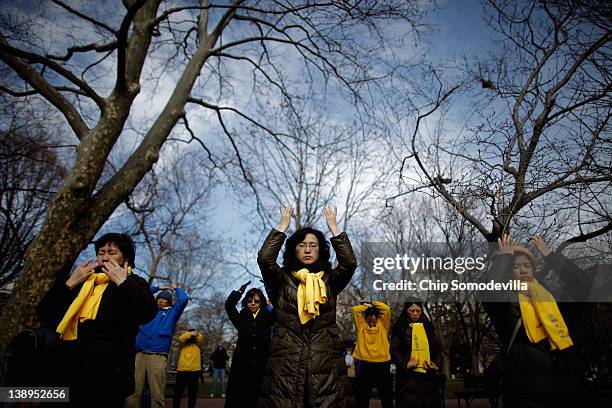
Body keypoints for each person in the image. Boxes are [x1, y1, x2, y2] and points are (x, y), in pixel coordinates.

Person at [37, 233, 157, 407]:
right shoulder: (81, 280)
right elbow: (45, 314)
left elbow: (147, 313)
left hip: (107, 377)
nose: (105, 257)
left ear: (127, 258)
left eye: (112, 252)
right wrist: (69, 284)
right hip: (65, 371)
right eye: (101, 252)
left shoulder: (134, 283)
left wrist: (123, 282)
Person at [257, 205, 357, 408]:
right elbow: (265, 259)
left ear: (320, 250)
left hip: (324, 363)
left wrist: (334, 228)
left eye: (313, 245)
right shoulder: (281, 279)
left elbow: (348, 263)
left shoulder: (329, 280)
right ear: (294, 249)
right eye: (302, 245)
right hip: (286, 363)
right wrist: (283, 225)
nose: (308, 249)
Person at [483, 234, 589, 408]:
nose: (523, 270)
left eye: (527, 266)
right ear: (509, 273)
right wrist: (503, 259)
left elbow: (584, 287)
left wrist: (551, 257)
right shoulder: (505, 304)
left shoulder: (553, 298)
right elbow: (488, 293)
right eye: (516, 267)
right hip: (526, 397)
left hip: (568, 393)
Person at [125, 281, 189, 408]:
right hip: (140, 353)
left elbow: (183, 300)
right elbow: (141, 295)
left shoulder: (172, 312)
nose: (160, 301)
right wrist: (158, 288)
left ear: (169, 302)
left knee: (157, 390)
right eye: (159, 298)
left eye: (164, 299)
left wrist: (176, 289)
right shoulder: (148, 309)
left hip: (157, 354)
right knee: (133, 389)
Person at [225, 283, 275, 407]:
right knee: (238, 398)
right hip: (241, 364)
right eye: (250, 300)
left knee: (258, 398)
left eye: (256, 301)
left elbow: (279, 306)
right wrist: (240, 291)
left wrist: (269, 290)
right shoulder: (241, 317)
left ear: (261, 302)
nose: (253, 303)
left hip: (261, 364)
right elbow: (229, 305)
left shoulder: (268, 317)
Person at [390, 299, 443, 408]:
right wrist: (405, 364)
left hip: (428, 377)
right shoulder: (400, 327)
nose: (415, 314)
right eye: (412, 310)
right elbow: (394, 350)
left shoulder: (428, 327)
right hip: (407, 379)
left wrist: (436, 364)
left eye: (418, 311)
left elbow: (437, 349)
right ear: (406, 311)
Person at [352, 301, 393, 408]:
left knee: (386, 395)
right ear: (365, 319)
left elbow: (386, 309)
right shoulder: (361, 326)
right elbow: (355, 310)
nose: (371, 323)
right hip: (365, 364)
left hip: (383, 364)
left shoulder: (383, 326)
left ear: (378, 319)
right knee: (362, 396)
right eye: (369, 320)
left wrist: (373, 303)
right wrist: (367, 307)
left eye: (374, 321)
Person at [173, 328, 204, 408]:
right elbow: (181, 338)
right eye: (189, 334)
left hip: (194, 371)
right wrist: (190, 333)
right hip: (182, 370)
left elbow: (200, 337)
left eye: (192, 334)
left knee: (192, 394)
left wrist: (194, 334)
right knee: (177, 393)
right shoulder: (183, 344)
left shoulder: (198, 344)